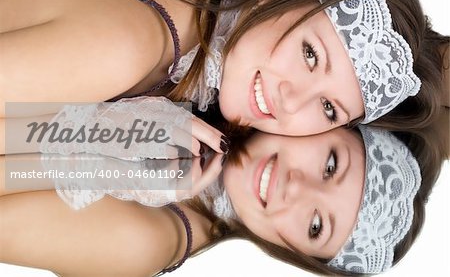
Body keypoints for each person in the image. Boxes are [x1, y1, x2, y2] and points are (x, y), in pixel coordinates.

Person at [0, 0, 448, 152]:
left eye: (328, 108)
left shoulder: (185, 61)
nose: (290, 102)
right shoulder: (134, 41)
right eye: (310, 54)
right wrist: (114, 130)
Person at [0, 125, 443, 276]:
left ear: (295, 253)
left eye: (315, 226)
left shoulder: (147, 239)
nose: (296, 188)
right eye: (330, 165)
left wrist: (114, 139)